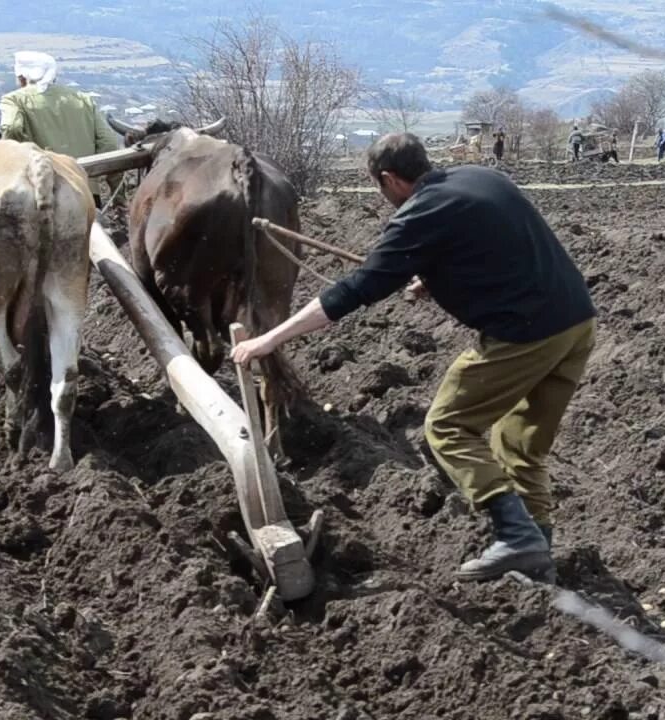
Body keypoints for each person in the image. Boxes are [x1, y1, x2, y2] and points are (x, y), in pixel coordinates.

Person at [232, 133, 596, 582]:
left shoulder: (417, 217)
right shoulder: (480, 177)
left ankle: (517, 536)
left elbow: (354, 290)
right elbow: (494, 240)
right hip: (577, 322)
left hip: (526, 334)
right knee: (521, 445)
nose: (384, 199)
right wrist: (438, 273)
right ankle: (537, 559)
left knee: (447, 426)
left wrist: (270, 339)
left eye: (379, 189)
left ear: (389, 179)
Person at [0, 51, 121, 207]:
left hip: (37, 191)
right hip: (85, 191)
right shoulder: (83, 100)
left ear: (22, 77)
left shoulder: (14, 100)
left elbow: (12, 128)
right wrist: (117, 191)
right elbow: (109, 143)